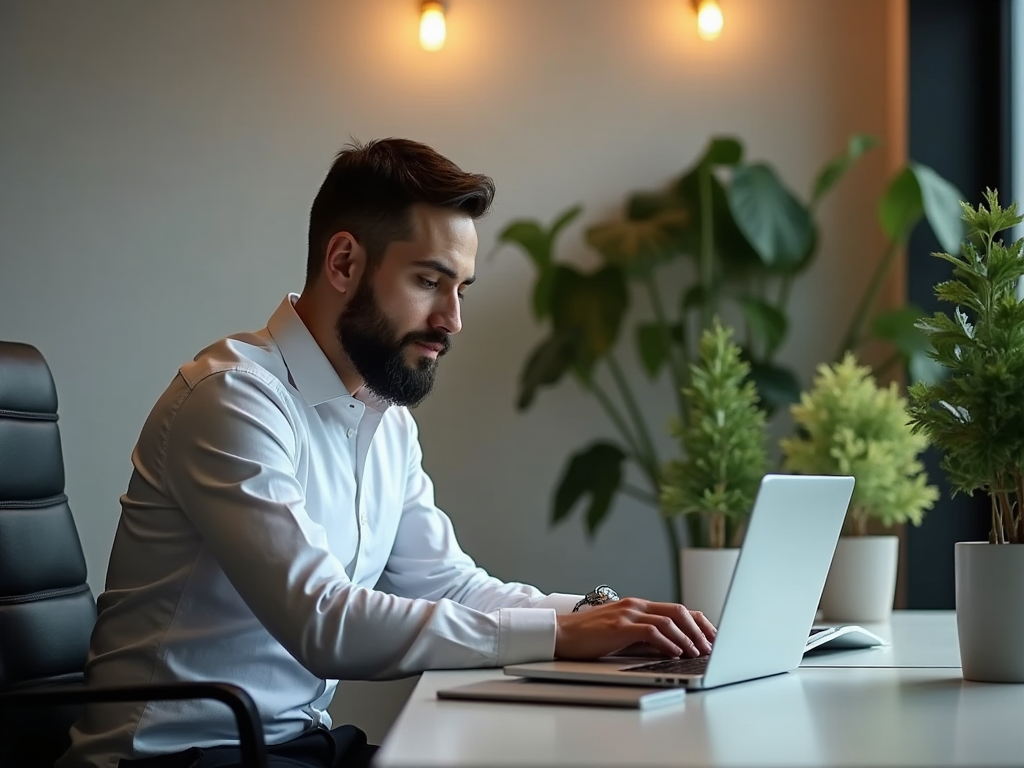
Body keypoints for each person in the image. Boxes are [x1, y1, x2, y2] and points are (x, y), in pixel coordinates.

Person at [58, 138, 716, 768]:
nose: (452, 319)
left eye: (461, 289)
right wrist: (557, 637)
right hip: (177, 755)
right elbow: (323, 619)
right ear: (344, 263)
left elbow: (451, 584)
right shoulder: (232, 399)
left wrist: (598, 616)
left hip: (295, 745)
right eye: (430, 281)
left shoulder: (385, 419)